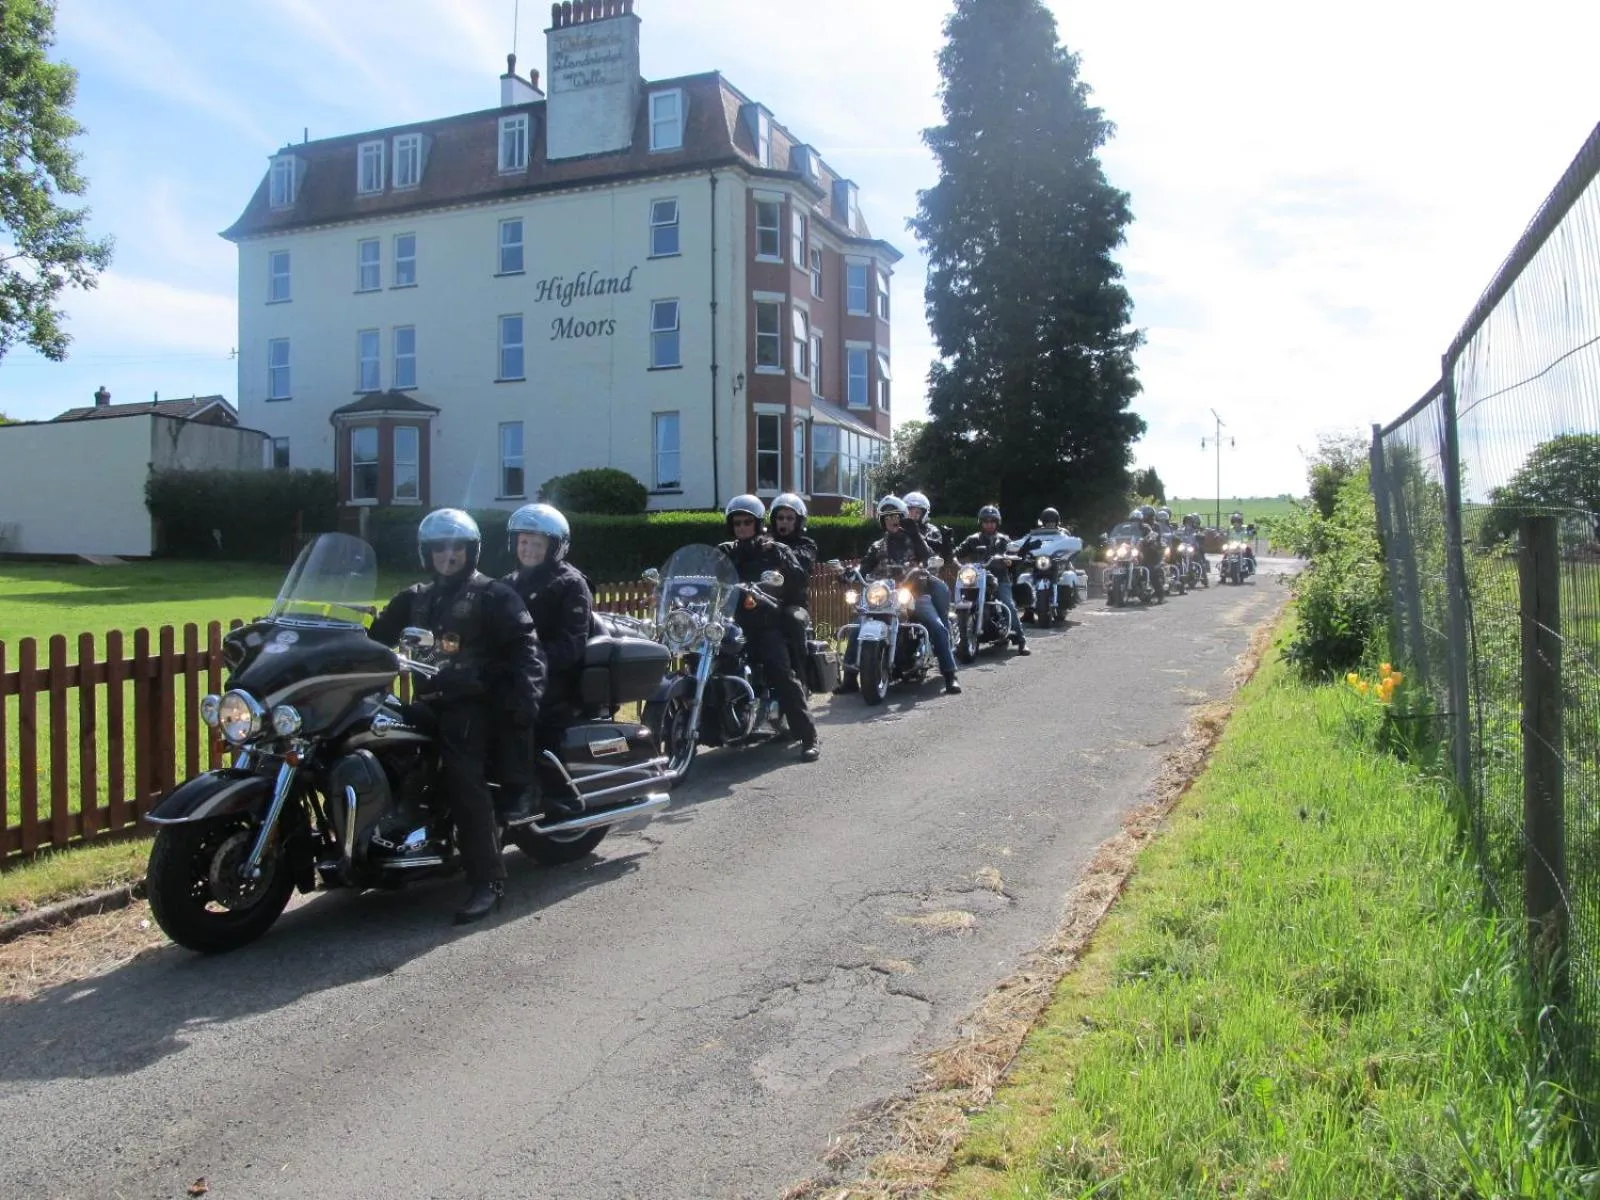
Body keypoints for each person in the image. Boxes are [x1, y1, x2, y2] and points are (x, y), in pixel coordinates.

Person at [370, 508, 546, 925]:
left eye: (456, 547)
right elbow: (375, 639)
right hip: (430, 702)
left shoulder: (493, 595)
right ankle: (396, 839)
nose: (448, 554)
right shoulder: (414, 597)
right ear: (426, 552)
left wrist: (526, 700)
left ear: (472, 551)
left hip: (475, 705)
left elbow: (527, 649)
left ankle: (488, 879)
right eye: (439, 547)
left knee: (462, 775)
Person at [497, 502, 592, 822]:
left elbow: (572, 643)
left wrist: (529, 662)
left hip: (557, 677)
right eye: (523, 541)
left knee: (517, 708)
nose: (528, 549)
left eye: (537, 543)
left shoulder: (570, 583)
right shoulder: (509, 582)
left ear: (554, 547)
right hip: (514, 669)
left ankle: (529, 790)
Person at [717, 495, 821, 762]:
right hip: (731, 622)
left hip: (764, 621)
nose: (741, 527)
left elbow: (798, 579)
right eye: (737, 523)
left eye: (747, 522)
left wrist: (778, 579)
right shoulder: (726, 551)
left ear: (758, 523)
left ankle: (808, 737)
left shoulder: (774, 550)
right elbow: (708, 573)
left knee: (780, 672)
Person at [838, 495, 961, 694]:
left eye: (897, 516)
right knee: (858, 626)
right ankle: (850, 677)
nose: (893, 521)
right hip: (883, 598)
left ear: (904, 518)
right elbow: (865, 564)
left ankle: (950, 674)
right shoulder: (877, 545)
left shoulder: (915, 539)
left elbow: (929, 556)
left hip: (914, 593)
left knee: (936, 625)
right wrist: (852, 572)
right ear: (882, 521)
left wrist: (915, 535)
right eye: (888, 518)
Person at [956, 504, 1028, 653]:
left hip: (1000, 578)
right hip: (977, 578)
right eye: (986, 521)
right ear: (981, 523)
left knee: (1008, 603)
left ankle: (1021, 640)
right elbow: (957, 552)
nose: (989, 524)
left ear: (997, 523)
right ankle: (961, 639)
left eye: (992, 521)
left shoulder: (1003, 540)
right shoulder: (973, 539)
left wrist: (1010, 560)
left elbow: (1017, 555)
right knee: (960, 599)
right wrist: (953, 559)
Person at [769, 492, 817, 678]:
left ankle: (800, 675)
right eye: (780, 518)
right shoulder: (763, 542)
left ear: (799, 521)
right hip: (764, 602)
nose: (784, 522)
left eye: (790, 518)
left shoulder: (806, 544)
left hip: (793, 604)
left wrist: (777, 551)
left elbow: (802, 564)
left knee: (793, 619)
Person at [903, 490, 954, 631]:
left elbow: (936, 554)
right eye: (910, 511)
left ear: (925, 513)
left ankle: (946, 638)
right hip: (902, 579)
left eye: (917, 512)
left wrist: (946, 542)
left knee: (939, 622)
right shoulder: (899, 530)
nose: (913, 515)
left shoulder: (931, 531)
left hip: (927, 578)